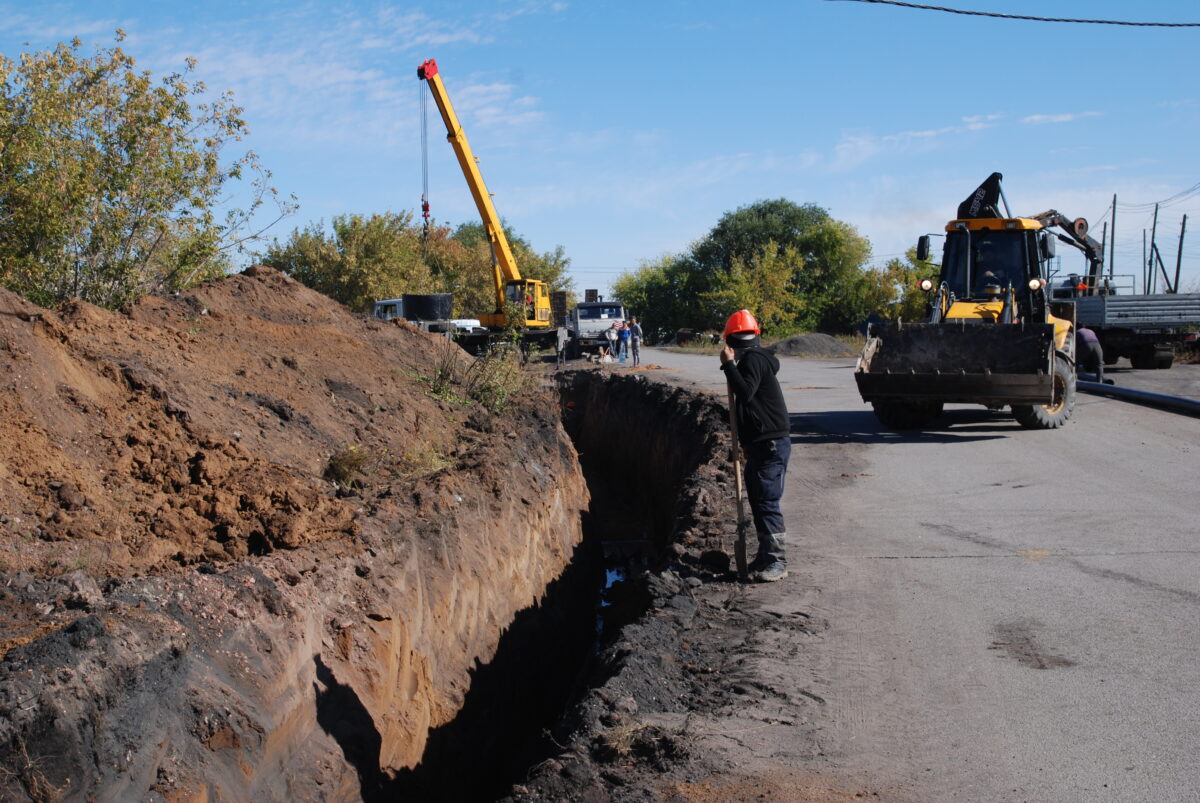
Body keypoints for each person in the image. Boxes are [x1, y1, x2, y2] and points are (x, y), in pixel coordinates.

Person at [719, 309, 790, 582]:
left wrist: (728, 365)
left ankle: (777, 561)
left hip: (770, 443)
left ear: (731, 341)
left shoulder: (752, 361)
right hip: (762, 443)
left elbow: (746, 393)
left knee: (767, 501)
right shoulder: (756, 359)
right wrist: (747, 443)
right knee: (759, 499)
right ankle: (765, 556)